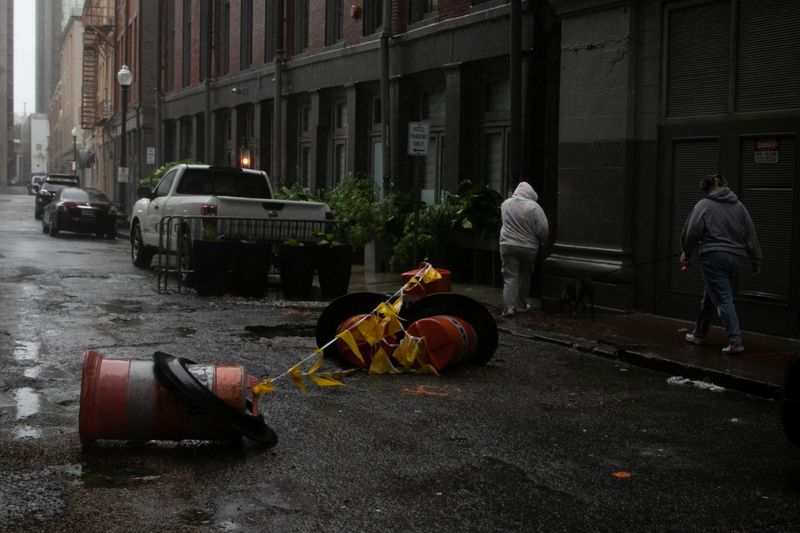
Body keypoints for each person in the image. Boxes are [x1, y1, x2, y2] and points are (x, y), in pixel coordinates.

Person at [680, 173, 762, 354]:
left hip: (713, 257)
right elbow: (750, 234)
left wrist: (687, 251)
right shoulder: (740, 206)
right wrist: (756, 259)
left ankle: (735, 342)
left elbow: (691, 232)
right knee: (711, 296)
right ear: (725, 185)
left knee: (723, 298)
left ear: (707, 189)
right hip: (737, 258)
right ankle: (699, 333)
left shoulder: (703, 205)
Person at [499, 181, 549, 318]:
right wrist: (544, 240)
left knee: (510, 276)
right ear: (530, 194)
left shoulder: (505, 204)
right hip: (528, 247)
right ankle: (521, 305)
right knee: (524, 276)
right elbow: (543, 229)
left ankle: (509, 308)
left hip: (507, 244)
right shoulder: (534, 207)